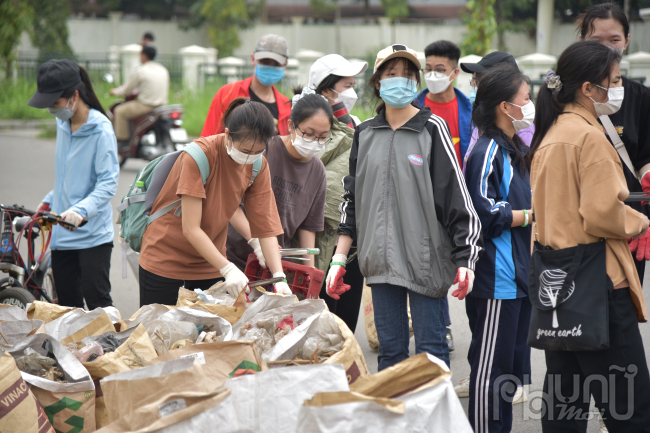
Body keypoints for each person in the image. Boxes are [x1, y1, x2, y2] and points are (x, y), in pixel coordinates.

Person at [328, 44, 483, 369]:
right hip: (381, 266)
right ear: (377, 82)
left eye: (407, 74)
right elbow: (352, 200)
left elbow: (458, 198)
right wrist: (339, 259)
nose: (400, 80)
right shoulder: (366, 133)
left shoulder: (431, 129)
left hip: (424, 263)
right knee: (391, 356)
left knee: (431, 355)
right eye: (391, 74)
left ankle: (431, 421)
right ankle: (395, 420)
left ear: (415, 82)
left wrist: (465, 258)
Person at [529, 40, 650, 432]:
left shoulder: (551, 134)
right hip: (598, 284)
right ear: (587, 88)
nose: (618, 89)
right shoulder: (589, 137)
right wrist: (640, 222)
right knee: (630, 407)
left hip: (557, 285)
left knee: (565, 403)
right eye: (613, 81)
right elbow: (601, 213)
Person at [138, 98, 293, 306]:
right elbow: (191, 228)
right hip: (166, 262)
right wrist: (228, 269)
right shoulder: (199, 157)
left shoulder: (258, 165)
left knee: (209, 335)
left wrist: (279, 276)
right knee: (160, 335)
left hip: (210, 265)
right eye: (246, 151)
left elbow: (265, 225)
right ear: (228, 135)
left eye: (258, 151)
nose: (250, 158)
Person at [462, 64, 533, 433]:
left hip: (519, 276)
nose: (530, 104)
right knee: (491, 371)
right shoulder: (488, 150)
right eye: (526, 98)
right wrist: (528, 216)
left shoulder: (514, 149)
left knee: (506, 371)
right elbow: (483, 211)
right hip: (498, 278)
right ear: (505, 107)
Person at [28, 59, 119, 310]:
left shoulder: (101, 130)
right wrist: (50, 199)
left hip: (92, 236)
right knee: (67, 307)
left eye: (55, 104)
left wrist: (81, 210)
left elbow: (107, 183)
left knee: (98, 302)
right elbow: (67, 177)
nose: (51, 110)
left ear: (73, 97)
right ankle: (76, 351)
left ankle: (111, 349)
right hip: (62, 232)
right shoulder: (63, 124)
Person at [578, 2, 650, 285]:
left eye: (615, 40)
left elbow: (645, 156)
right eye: (597, 41)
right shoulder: (561, 95)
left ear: (627, 42)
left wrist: (647, 174)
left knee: (622, 315)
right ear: (582, 40)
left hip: (628, 221)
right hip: (579, 223)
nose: (607, 48)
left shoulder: (641, 98)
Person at [226, 92, 328, 274]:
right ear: (291, 125)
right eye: (309, 133)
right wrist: (256, 242)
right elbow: (231, 204)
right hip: (234, 256)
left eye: (322, 137)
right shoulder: (264, 150)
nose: (314, 142)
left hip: (273, 265)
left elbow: (308, 227)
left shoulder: (318, 171)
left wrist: (308, 271)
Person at [302, 54, 368, 333]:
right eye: (346, 84)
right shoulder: (302, 121)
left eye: (354, 84)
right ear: (326, 89)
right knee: (321, 308)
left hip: (350, 227)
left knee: (348, 303)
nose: (351, 91)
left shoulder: (352, 121)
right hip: (317, 229)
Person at [414, 39, 471, 351]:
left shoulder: (471, 110)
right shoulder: (412, 108)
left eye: (440, 69)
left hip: (461, 201)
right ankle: (441, 328)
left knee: (464, 265)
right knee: (430, 267)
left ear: (454, 72)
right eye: (429, 69)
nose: (433, 75)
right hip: (422, 201)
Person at [201, 34, 291, 137]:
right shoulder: (228, 93)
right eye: (264, 61)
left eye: (276, 63)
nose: (270, 67)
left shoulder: (287, 106)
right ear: (253, 59)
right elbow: (207, 140)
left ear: (285, 65)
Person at [460, 52, 535, 172]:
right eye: (473, 81)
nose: (474, 87)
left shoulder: (521, 128)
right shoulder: (481, 124)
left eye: (478, 81)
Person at [110, 45, 170, 149]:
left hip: (146, 105)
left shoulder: (141, 70)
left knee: (119, 111)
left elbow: (127, 89)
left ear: (143, 56)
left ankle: (123, 141)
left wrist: (115, 92)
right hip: (161, 106)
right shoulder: (163, 69)